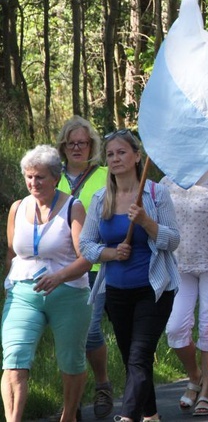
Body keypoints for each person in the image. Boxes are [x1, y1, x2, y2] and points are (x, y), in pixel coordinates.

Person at [80, 130, 180, 422]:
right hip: (116, 292)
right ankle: (151, 415)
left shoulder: (155, 193)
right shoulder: (101, 199)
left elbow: (173, 240)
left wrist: (147, 222)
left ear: (137, 156)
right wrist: (110, 254)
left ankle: (128, 416)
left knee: (139, 356)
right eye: (110, 154)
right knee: (132, 359)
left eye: (122, 152)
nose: (115, 159)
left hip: (154, 289)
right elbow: (86, 245)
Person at [2, 145, 91, 422]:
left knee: (70, 360)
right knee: (14, 359)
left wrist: (59, 277)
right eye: (29, 176)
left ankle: (68, 416)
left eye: (40, 177)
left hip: (68, 292)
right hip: (23, 293)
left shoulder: (73, 208)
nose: (33, 183)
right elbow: (11, 254)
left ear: (55, 177)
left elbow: (87, 258)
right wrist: (12, 283)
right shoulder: (17, 208)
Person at [162, 168, 208, 416]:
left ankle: (206, 391)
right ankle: (195, 375)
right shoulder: (166, 181)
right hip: (180, 266)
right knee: (175, 329)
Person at [55, 115, 114, 419]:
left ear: (92, 145)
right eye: (71, 143)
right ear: (63, 146)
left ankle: (102, 383)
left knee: (89, 332)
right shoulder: (53, 176)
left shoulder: (105, 175)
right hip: (60, 268)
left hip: (95, 265)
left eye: (83, 142)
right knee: (70, 336)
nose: (77, 147)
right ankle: (73, 404)